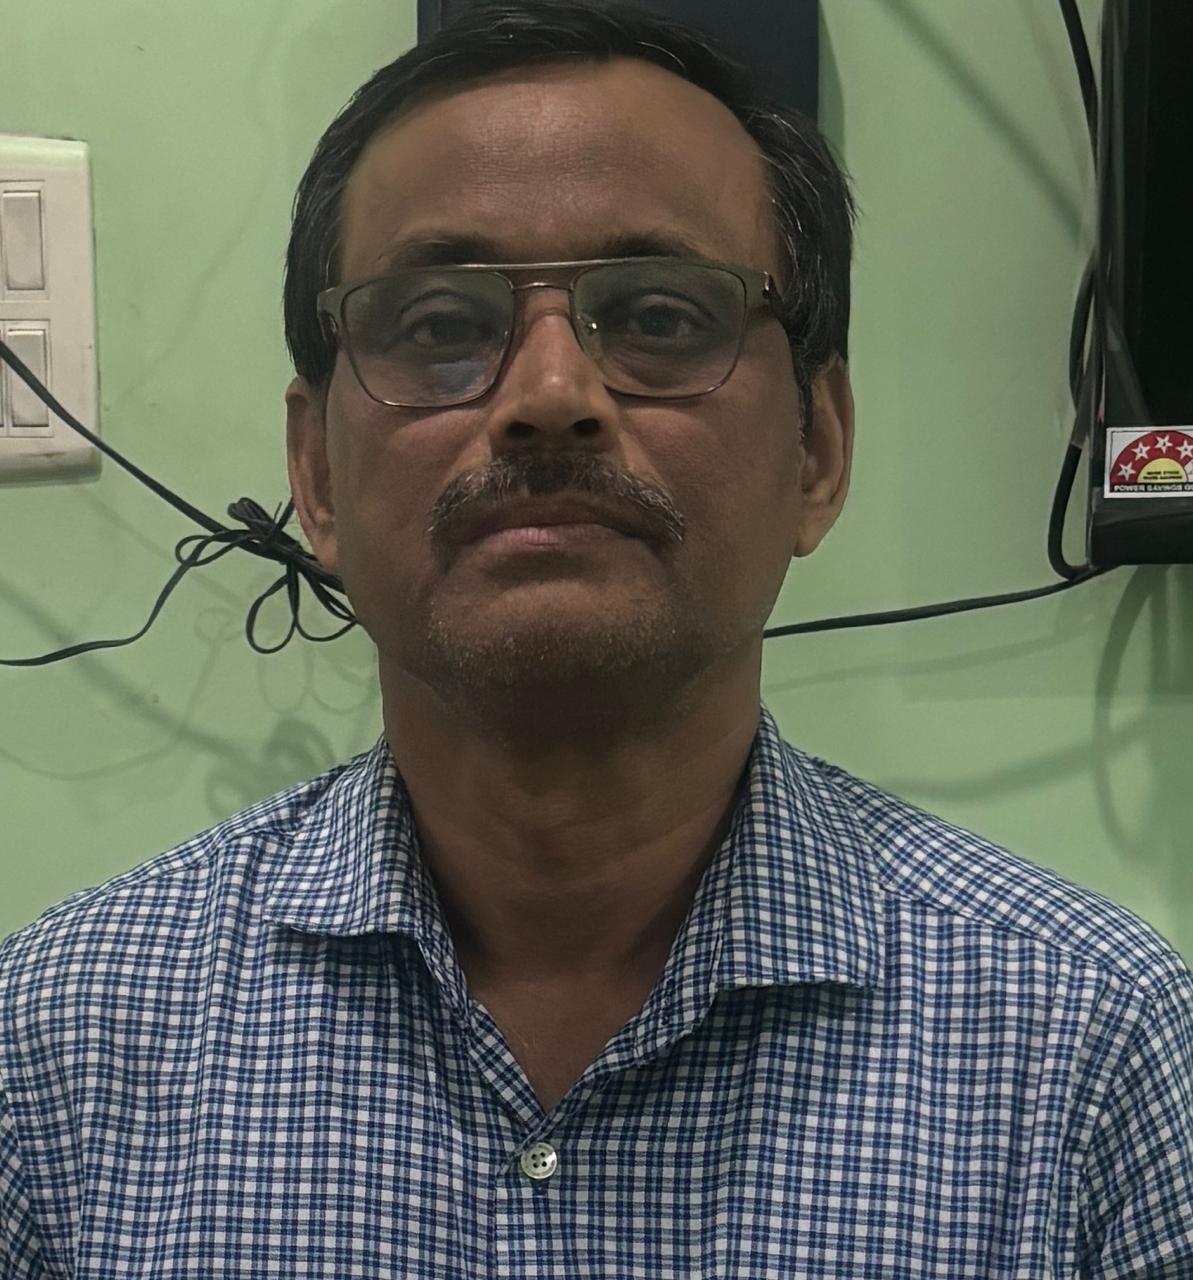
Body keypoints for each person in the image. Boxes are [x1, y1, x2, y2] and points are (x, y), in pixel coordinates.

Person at [2, 1, 1190, 1275]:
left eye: (662, 316)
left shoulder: (1093, 1048)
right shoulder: (56, 1048)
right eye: (439, 323)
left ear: (818, 449)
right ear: (317, 474)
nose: (550, 396)